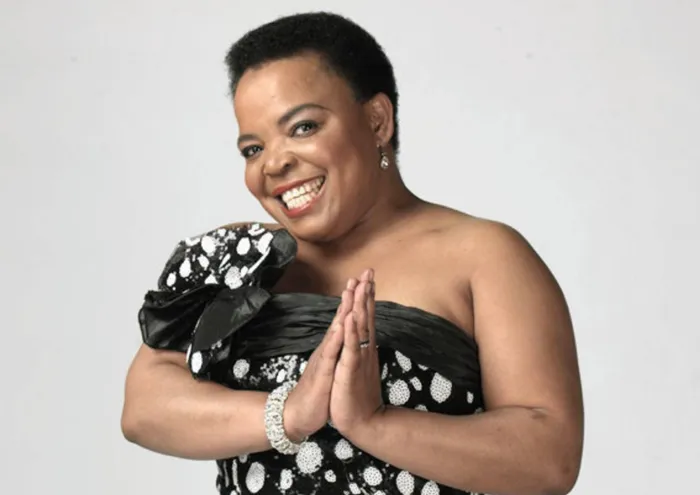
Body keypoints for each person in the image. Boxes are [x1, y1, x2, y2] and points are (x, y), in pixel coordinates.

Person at [121, 11, 584, 495]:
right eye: (252, 149)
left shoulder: (485, 256)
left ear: (377, 120)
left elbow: (549, 458)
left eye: (302, 127)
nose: (273, 163)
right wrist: (290, 413)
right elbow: (144, 408)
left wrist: (374, 423)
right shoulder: (236, 257)